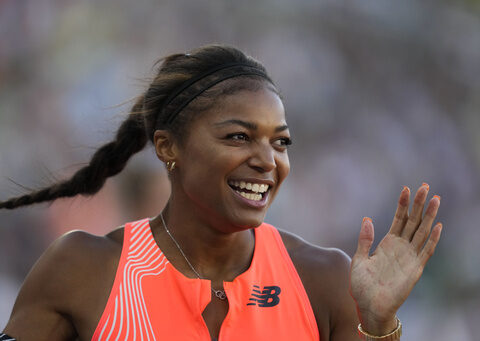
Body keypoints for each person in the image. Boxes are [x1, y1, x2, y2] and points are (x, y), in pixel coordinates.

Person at [0, 44, 442, 341]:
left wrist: (379, 323)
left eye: (280, 141)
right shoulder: (83, 270)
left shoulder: (323, 278)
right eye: (237, 137)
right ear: (168, 146)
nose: (268, 160)